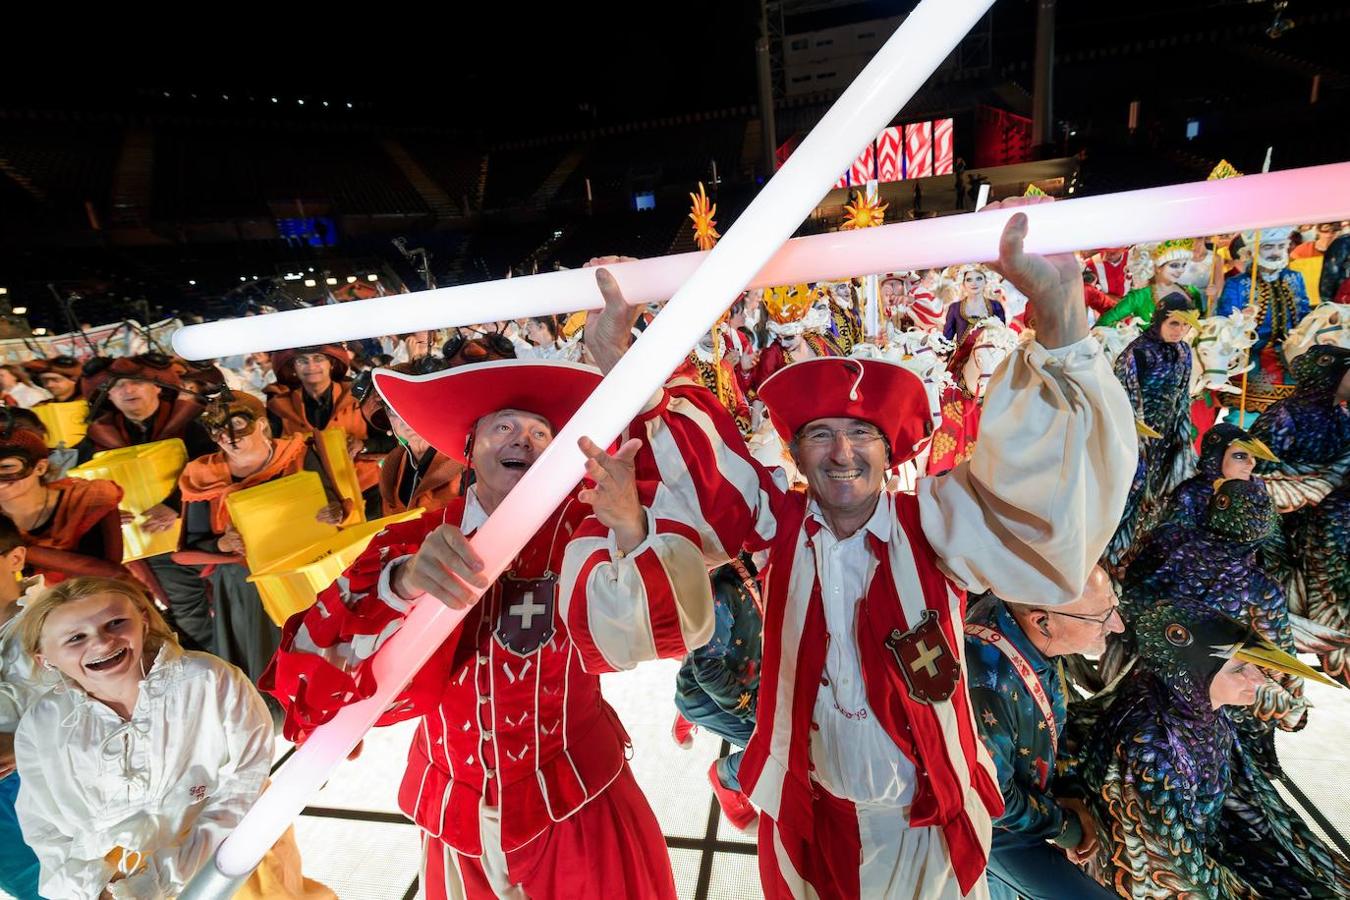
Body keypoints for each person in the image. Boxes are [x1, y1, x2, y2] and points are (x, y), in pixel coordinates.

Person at [587, 198, 1135, 898]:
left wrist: (1059, 318)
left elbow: (1045, 514)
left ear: (891, 449)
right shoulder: (772, 524)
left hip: (925, 823)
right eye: (821, 434)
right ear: (796, 452)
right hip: (809, 821)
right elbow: (692, 472)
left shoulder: (938, 523)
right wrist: (624, 362)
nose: (842, 452)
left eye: (862, 434)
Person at [265, 357, 716, 900]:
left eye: (540, 432)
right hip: (455, 817)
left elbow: (669, 635)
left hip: (578, 803)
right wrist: (403, 583)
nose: (522, 441)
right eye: (504, 426)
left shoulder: (586, 527)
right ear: (470, 445)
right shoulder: (416, 538)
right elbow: (307, 674)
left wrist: (631, 526)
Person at [12, 576, 331, 900]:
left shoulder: (209, 680)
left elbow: (244, 783)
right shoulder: (42, 724)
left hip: (228, 867)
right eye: (76, 638)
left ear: (144, 620)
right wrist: (94, 890)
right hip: (113, 884)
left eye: (116, 623)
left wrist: (155, 883)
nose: (101, 643)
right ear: (44, 658)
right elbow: (44, 825)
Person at [1064, 600, 1350, 897]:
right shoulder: (1153, 747)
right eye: (1239, 669)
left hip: (1205, 840)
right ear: (1196, 673)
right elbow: (1168, 864)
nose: (1257, 678)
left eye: (1252, 665)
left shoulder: (1193, 705)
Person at [963, 567, 1121, 900]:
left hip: (1029, 801)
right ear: (1042, 622)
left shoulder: (1033, 634)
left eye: (1113, 606)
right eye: (1101, 616)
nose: (1117, 625)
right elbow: (996, 799)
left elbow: (1054, 718)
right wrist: (1065, 827)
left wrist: (1069, 789)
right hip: (990, 823)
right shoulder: (987, 682)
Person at [176, 391, 343, 682]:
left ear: (262, 424)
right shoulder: (202, 473)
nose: (228, 438)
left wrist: (334, 512)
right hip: (245, 578)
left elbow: (330, 501)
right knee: (262, 654)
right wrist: (223, 544)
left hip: (305, 563)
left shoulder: (297, 452)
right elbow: (192, 544)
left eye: (237, 424)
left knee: (316, 639)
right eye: (217, 431)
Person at [1250, 345, 1350, 684]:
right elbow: (1256, 471)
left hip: (1324, 509)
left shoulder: (1341, 419)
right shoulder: (1286, 415)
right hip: (1282, 514)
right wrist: (1315, 480)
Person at [1104, 293, 1199, 574]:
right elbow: (1122, 398)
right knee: (1129, 496)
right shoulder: (1137, 353)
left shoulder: (1184, 352)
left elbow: (1183, 398)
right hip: (1136, 440)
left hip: (1166, 438)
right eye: (1174, 323)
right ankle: (1110, 557)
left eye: (1185, 326)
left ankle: (1137, 556)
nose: (1179, 331)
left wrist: (1182, 438)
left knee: (1159, 498)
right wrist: (1139, 440)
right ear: (1159, 320)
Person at [671, 554, 763, 833]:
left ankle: (688, 715)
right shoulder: (724, 590)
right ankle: (726, 777)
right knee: (774, 749)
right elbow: (708, 670)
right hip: (707, 691)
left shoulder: (765, 569)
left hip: (740, 676)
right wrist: (757, 709)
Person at [0, 418, 125, 584]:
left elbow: (112, 571)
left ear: (40, 468)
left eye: (7, 467)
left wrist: (24, 550)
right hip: (34, 608)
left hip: (104, 598)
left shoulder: (89, 499)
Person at [0, 515, 48, 900]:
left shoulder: (62, 617)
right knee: (36, 890)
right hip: (3, 812)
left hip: (63, 776)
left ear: (16, 558)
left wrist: (27, 745)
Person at [77, 353, 212, 463]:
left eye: (138, 382)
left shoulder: (193, 422)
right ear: (109, 395)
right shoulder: (98, 435)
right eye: (118, 385)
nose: (128, 390)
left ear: (158, 387)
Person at [1215, 227, 1312, 380]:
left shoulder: (1295, 277)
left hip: (1293, 349)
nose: (1276, 252)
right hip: (1254, 351)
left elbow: (1305, 315)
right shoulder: (1237, 283)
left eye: (1281, 247)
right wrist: (1241, 319)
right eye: (1268, 247)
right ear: (1253, 251)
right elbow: (1225, 321)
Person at [1160, 422, 1278, 529]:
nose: (1251, 463)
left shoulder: (1257, 486)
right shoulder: (1190, 493)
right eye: (1240, 456)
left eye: (1253, 457)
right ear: (1217, 458)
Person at [1096, 240, 1205, 328]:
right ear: (1157, 268)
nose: (1181, 270)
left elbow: (1201, 325)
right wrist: (1125, 335)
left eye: (1183, 265)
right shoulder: (1139, 297)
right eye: (1174, 265)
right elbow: (1103, 324)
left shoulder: (1192, 291)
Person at [942, 264, 1006, 345]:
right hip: (963, 354)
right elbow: (947, 337)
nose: (974, 283)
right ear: (963, 284)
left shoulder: (996, 306)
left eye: (979, 279)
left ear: (985, 282)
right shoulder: (955, 307)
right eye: (969, 280)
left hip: (991, 353)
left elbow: (1002, 333)